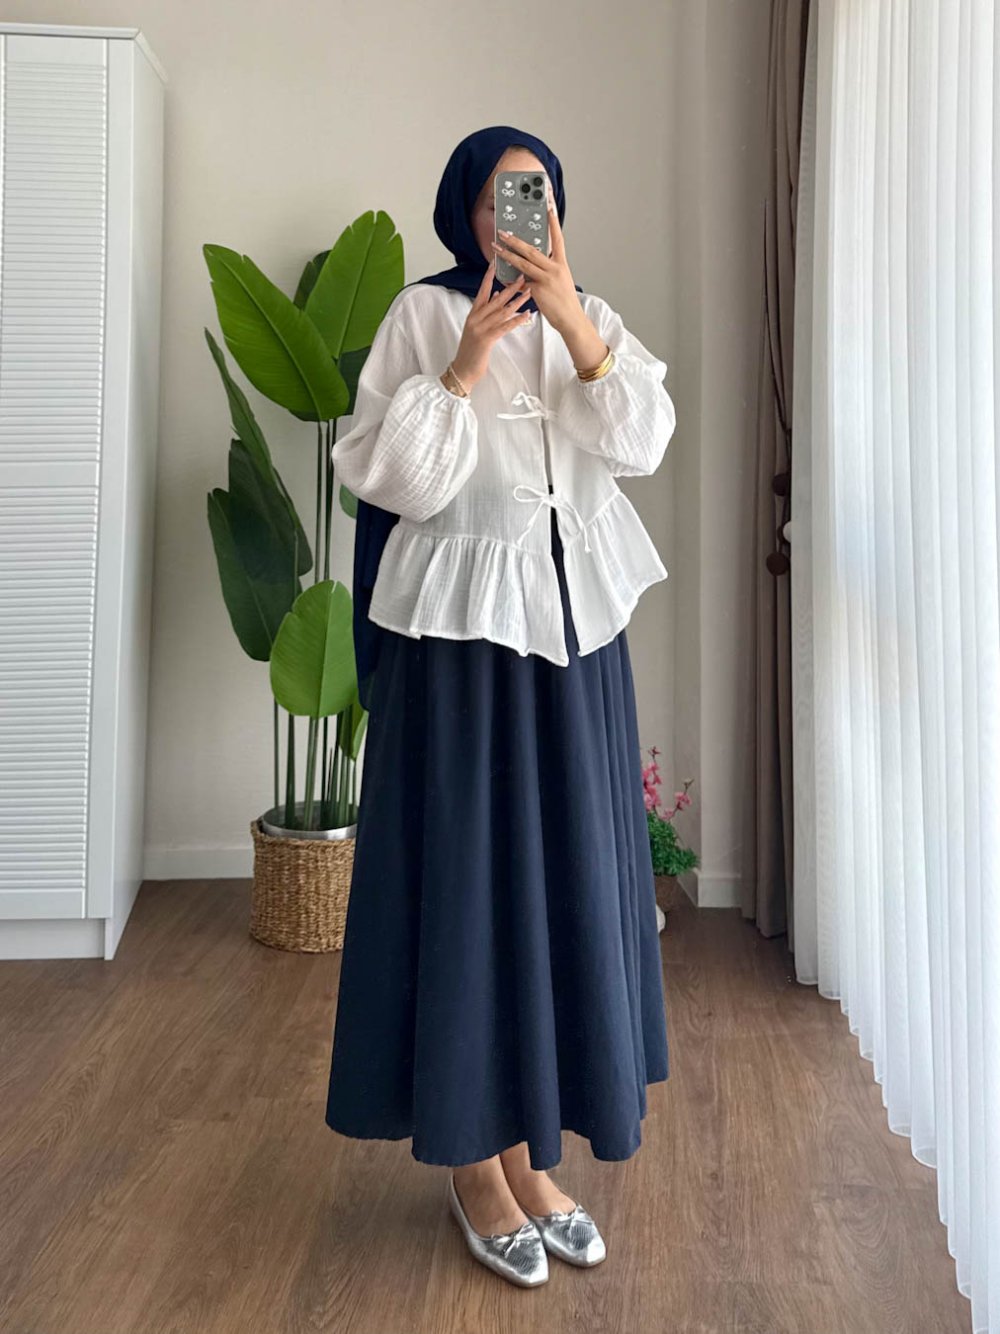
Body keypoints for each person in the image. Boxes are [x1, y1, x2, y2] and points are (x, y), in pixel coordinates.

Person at [325, 126, 675, 1289]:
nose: (514, 217)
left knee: (563, 892)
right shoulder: (422, 318)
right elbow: (393, 481)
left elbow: (641, 443)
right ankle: (477, 1166)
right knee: (471, 894)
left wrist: (572, 325)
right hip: (460, 653)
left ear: (555, 208)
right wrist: (467, 362)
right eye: (494, 198)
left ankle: (532, 1155)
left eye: (534, 195)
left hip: (576, 649)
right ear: (460, 212)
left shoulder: (593, 316)